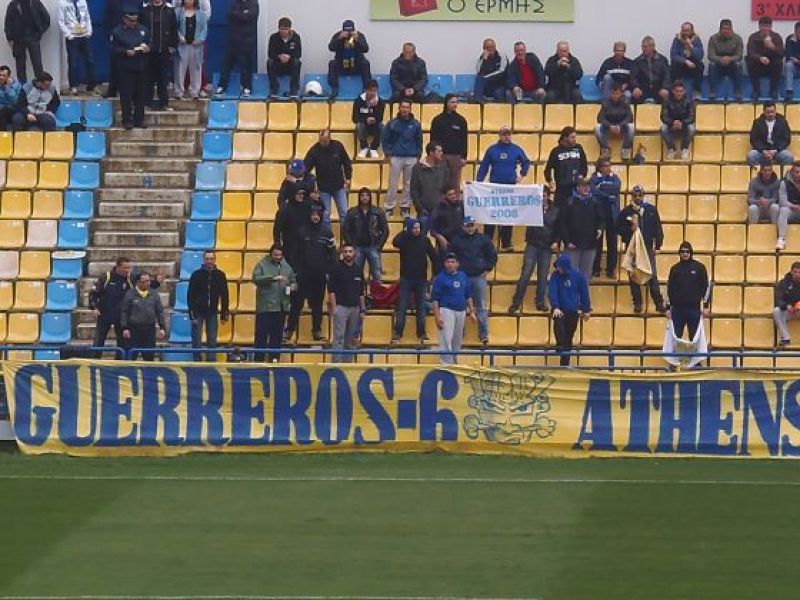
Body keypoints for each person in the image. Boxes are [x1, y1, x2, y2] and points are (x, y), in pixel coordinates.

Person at [285, 205, 336, 342]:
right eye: (313, 214)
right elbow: (293, 254)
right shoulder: (300, 231)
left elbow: (332, 254)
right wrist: (295, 271)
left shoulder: (327, 233)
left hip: (319, 276)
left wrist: (328, 271)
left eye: (317, 214)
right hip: (302, 276)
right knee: (296, 304)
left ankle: (316, 331)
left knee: (317, 305)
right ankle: (289, 330)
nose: (315, 216)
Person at [476, 126, 531, 251]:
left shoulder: (516, 149)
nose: (506, 137)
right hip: (494, 187)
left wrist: (521, 175)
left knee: (507, 215)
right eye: (504, 134)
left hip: (509, 187)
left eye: (508, 134)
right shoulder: (492, 150)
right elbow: (484, 166)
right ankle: (488, 241)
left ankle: (506, 242)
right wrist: (478, 183)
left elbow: (526, 162)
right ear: (499, 135)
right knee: (491, 214)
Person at [509, 186, 560, 314]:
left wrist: (556, 241)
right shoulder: (531, 208)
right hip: (532, 245)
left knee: (543, 276)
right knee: (525, 274)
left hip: (547, 247)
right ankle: (516, 302)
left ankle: (540, 302)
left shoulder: (556, 211)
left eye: (544, 195)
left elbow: (559, 229)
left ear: (548, 196)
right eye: (540, 195)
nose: (542, 197)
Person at [88, 257, 154, 357]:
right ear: (118, 267)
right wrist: (94, 308)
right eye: (125, 267)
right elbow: (93, 294)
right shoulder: (106, 277)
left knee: (123, 344)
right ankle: (94, 362)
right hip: (105, 315)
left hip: (122, 317)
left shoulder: (131, 279)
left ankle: (120, 364)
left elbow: (145, 284)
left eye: (129, 268)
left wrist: (157, 281)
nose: (127, 270)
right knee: (99, 341)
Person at [617, 185, 665, 314]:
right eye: (635, 195)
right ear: (632, 196)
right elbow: (619, 229)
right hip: (632, 249)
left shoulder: (651, 210)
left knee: (651, 275)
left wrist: (658, 245)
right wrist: (629, 231)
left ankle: (658, 303)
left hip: (647, 248)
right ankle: (638, 303)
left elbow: (658, 228)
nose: (637, 198)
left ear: (643, 196)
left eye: (640, 195)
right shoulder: (626, 212)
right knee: (634, 276)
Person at [449, 216, 497, 345]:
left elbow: (492, 255)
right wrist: (455, 272)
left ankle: (484, 335)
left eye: (471, 225)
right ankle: (460, 334)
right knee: (460, 306)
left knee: (481, 306)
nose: (470, 228)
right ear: (462, 226)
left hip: (478, 276)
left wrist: (488, 268)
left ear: (475, 225)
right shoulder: (456, 240)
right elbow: (450, 257)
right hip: (462, 277)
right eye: (467, 226)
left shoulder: (484, 239)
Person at [391, 218, 439, 344]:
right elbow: (394, 242)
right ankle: (397, 333)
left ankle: (421, 333)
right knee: (402, 307)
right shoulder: (404, 239)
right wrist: (403, 231)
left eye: (418, 227)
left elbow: (434, 257)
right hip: (406, 279)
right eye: (414, 227)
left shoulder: (425, 240)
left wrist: (435, 273)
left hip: (421, 279)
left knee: (421, 307)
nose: (417, 230)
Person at [253, 244, 296, 362]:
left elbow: (293, 280)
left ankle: (274, 361)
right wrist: (272, 278)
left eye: (280, 255)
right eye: (276, 255)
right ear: (271, 254)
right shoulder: (262, 264)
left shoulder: (286, 266)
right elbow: (256, 278)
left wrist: (293, 286)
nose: (278, 257)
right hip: (265, 308)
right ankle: (258, 361)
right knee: (261, 337)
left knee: (276, 338)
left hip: (280, 308)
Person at [548, 254, 591, 366]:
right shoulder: (555, 276)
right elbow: (552, 291)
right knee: (559, 327)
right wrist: (556, 306)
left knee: (569, 338)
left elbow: (584, 293)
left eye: (560, 267)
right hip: (560, 310)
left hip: (573, 312)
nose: (558, 269)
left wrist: (586, 309)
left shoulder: (578, 277)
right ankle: (559, 345)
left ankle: (564, 365)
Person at [382, 99, 423, 218]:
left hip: (411, 157)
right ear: (399, 108)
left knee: (408, 184)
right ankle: (389, 207)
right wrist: (388, 154)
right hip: (396, 157)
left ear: (410, 109)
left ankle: (405, 208)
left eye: (407, 107)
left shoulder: (416, 124)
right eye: (403, 107)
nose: (405, 109)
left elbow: (419, 140)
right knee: (393, 184)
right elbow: (385, 140)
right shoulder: (392, 123)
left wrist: (418, 155)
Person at [432, 253, 475, 365]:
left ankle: (454, 362)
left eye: (453, 262)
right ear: (445, 264)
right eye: (448, 262)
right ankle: (446, 365)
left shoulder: (463, 276)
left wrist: (472, 311)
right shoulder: (440, 278)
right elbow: (435, 299)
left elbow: (468, 295)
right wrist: (437, 316)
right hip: (447, 310)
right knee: (446, 339)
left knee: (457, 340)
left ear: (457, 264)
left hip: (461, 311)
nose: (450, 264)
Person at [112, 9, 150, 130]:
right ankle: (127, 120)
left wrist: (148, 48)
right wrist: (125, 52)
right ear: (125, 19)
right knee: (126, 96)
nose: (133, 23)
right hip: (126, 68)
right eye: (131, 20)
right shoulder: (117, 32)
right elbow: (113, 49)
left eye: (135, 20)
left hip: (141, 67)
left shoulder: (143, 30)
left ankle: (139, 119)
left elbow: (150, 43)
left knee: (141, 96)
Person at [560, 177, 604, 282]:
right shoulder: (569, 202)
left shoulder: (595, 202)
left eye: (588, 186)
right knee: (571, 275)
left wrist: (600, 229)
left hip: (590, 244)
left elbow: (602, 219)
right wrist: (567, 241)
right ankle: (571, 298)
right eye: (584, 186)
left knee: (586, 276)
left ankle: (583, 297)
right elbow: (563, 223)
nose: (586, 188)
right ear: (578, 187)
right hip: (573, 245)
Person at [303, 129, 352, 224]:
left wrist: (348, 178)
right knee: (325, 214)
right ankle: (327, 237)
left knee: (344, 213)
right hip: (323, 188)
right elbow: (306, 167)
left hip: (339, 186)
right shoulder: (314, 150)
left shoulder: (338, 146)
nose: (323, 143)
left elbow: (346, 162)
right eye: (321, 141)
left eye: (325, 141)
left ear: (330, 138)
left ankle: (347, 237)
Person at [187, 249, 229, 360]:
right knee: (196, 339)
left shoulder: (220, 275)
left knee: (212, 339)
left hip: (212, 311)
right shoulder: (196, 275)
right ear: (203, 260)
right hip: (198, 312)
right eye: (207, 259)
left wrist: (224, 313)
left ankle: (211, 362)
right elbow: (190, 295)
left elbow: (225, 295)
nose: (209, 261)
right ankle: (197, 362)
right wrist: (192, 314)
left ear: (214, 260)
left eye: (211, 259)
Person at [328, 243, 365, 363]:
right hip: (341, 307)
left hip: (355, 308)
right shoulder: (335, 268)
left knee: (351, 339)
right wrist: (334, 309)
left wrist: (362, 309)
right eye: (346, 251)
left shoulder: (358, 269)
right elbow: (331, 290)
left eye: (350, 251)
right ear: (342, 253)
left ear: (354, 253)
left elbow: (361, 292)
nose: (348, 254)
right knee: (338, 337)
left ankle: (348, 365)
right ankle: (336, 365)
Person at [665, 241, 710, 340]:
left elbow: (706, 287)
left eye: (687, 251)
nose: (685, 254)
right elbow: (669, 289)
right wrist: (668, 308)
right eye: (682, 251)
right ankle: (676, 356)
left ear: (691, 253)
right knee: (676, 337)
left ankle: (694, 356)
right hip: (677, 309)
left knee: (694, 337)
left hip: (694, 308)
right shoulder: (674, 269)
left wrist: (706, 306)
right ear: (679, 253)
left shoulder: (700, 268)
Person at [343, 187, 388, 284]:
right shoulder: (352, 212)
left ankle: (377, 297)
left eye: (367, 195)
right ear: (359, 197)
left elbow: (385, 230)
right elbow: (345, 230)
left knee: (377, 275)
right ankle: (358, 296)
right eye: (362, 195)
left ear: (370, 197)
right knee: (356, 276)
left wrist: (379, 246)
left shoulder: (378, 212)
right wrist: (351, 245)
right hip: (357, 247)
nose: (365, 198)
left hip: (373, 247)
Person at [140, 0, 178, 111]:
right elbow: (140, 29)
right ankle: (147, 103)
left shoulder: (169, 11)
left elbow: (174, 30)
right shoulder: (144, 11)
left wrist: (172, 47)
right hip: (148, 51)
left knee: (163, 79)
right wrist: (142, 45)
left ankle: (164, 104)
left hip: (164, 51)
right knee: (148, 79)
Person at [216, 0, 259, 97]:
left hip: (247, 41)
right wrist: (242, 15)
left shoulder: (253, 3)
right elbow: (229, 15)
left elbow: (250, 17)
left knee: (246, 66)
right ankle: (222, 86)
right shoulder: (234, 3)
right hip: (233, 40)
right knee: (226, 65)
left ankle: (246, 87)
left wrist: (238, 15)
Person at [120, 272, 166, 361]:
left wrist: (162, 326)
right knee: (131, 355)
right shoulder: (130, 294)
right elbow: (124, 311)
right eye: (144, 281)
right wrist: (124, 328)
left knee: (149, 356)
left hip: (149, 329)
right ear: (138, 282)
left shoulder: (154, 294)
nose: (147, 283)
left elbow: (159, 311)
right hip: (134, 329)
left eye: (148, 281)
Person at [590, 159, 622, 279]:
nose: (609, 168)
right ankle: (595, 269)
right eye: (606, 166)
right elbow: (594, 191)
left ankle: (611, 269)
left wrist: (602, 188)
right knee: (597, 243)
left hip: (612, 214)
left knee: (612, 243)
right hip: (598, 214)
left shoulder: (615, 178)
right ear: (600, 167)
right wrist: (608, 195)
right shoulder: (594, 178)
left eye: (610, 166)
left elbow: (617, 188)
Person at [3, 0, 49, 84]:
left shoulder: (35, 2)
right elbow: (7, 23)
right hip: (18, 39)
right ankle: (23, 89)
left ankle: (40, 88)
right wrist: (9, 38)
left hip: (32, 37)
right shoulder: (13, 4)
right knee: (20, 67)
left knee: (37, 64)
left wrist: (39, 32)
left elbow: (46, 19)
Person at [430, 93, 468, 191]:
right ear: (446, 103)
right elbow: (433, 140)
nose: (455, 104)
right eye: (452, 102)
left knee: (455, 183)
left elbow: (464, 140)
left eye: (456, 102)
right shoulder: (437, 120)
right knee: (439, 182)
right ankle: (439, 204)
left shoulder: (461, 120)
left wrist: (464, 156)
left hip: (456, 156)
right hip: (441, 156)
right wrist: (433, 155)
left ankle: (454, 204)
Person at [58, 0, 96, 94]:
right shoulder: (63, 3)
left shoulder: (82, 2)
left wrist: (89, 31)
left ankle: (91, 85)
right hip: (72, 37)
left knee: (90, 60)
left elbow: (87, 16)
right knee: (73, 63)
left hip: (84, 36)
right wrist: (68, 35)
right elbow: (61, 21)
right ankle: (73, 86)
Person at [544, 126, 588, 207]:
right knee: (560, 213)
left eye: (575, 137)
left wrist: (582, 175)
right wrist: (549, 180)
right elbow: (548, 168)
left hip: (576, 187)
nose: (575, 139)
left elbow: (584, 164)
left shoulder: (579, 148)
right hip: (562, 189)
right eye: (572, 137)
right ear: (565, 138)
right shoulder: (556, 151)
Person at [327, 19, 370, 99]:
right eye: (346, 31)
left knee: (365, 64)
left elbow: (366, 49)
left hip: (356, 65)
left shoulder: (359, 36)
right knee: (332, 63)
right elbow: (331, 48)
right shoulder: (337, 35)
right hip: (342, 64)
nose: (348, 33)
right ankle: (334, 89)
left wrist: (357, 40)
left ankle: (366, 89)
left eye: (350, 31)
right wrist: (339, 39)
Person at [273, 187, 313, 272]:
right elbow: (277, 229)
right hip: (289, 247)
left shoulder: (306, 207)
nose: (301, 196)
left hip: (304, 246)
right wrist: (277, 243)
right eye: (299, 194)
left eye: (302, 194)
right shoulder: (284, 210)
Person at [410, 141, 449, 227]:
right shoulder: (417, 169)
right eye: (439, 151)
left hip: (440, 210)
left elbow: (446, 187)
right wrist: (420, 208)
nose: (441, 153)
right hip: (424, 211)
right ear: (431, 152)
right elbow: (414, 190)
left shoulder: (443, 167)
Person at [174, 0, 207, 100]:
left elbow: (204, 29)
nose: (188, 1)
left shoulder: (201, 14)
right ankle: (179, 92)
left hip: (196, 46)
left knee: (196, 68)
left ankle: (194, 91)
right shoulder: (178, 12)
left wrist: (199, 40)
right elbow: (174, 27)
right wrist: (179, 36)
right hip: (182, 45)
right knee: (179, 68)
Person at [747, 16, 785, 101]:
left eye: (767, 26)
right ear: (759, 27)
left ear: (771, 27)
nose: (765, 29)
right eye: (763, 26)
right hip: (758, 64)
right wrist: (760, 58)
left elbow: (781, 54)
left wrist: (772, 46)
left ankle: (773, 90)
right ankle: (756, 90)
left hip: (772, 65)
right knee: (749, 61)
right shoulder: (753, 37)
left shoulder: (776, 37)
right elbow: (750, 52)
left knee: (779, 63)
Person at [594, 83, 634, 161]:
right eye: (613, 93)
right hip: (608, 128)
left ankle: (625, 150)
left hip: (622, 128)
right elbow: (600, 118)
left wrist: (620, 126)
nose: (615, 96)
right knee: (597, 127)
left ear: (621, 94)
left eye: (617, 93)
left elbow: (630, 117)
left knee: (632, 127)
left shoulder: (626, 102)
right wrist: (610, 126)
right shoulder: (605, 102)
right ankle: (605, 150)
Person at [707, 18, 744, 101]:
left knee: (738, 64)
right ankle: (712, 91)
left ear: (731, 29)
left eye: (728, 29)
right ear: (720, 29)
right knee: (711, 65)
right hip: (718, 64)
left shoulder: (737, 38)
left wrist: (729, 59)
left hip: (732, 64)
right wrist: (721, 59)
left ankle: (738, 91)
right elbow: (710, 55)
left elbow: (739, 55)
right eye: (724, 29)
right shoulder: (713, 38)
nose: (726, 31)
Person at [747, 102, 793, 168]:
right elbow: (754, 139)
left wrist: (776, 150)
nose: (770, 114)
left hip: (777, 151)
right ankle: (759, 175)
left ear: (775, 111)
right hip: (762, 151)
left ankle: (783, 176)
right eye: (768, 112)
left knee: (788, 156)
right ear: (764, 112)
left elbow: (786, 139)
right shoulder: (757, 122)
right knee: (751, 155)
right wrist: (763, 150)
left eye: (772, 112)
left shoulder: (782, 122)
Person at [660, 80, 696, 161]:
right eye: (677, 91)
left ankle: (684, 149)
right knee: (663, 128)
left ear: (684, 91)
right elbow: (663, 116)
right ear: (673, 91)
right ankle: (671, 149)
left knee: (692, 128)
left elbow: (692, 116)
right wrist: (672, 122)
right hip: (671, 126)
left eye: (681, 91)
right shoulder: (666, 100)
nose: (679, 93)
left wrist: (682, 123)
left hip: (684, 126)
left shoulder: (689, 100)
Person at [266, 16, 301, 99]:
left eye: (286, 29)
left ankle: (293, 90)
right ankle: (274, 88)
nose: (284, 31)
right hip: (278, 64)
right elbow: (270, 53)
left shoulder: (296, 37)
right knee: (269, 62)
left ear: (290, 29)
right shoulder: (273, 37)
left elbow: (298, 54)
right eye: (282, 29)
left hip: (290, 64)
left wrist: (289, 57)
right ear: (278, 28)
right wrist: (279, 56)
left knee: (297, 62)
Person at [630, 36, 671, 103]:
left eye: (645, 47)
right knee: (635, 94)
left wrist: (665, 88)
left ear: (652, 47)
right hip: (643, 89)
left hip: (658, 89)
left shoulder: (662, 60)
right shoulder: (637, 61)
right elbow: (633, 77)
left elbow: (667, 76)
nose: (643, 49)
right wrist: (636, 87)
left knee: (666, 95)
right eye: (642, 46)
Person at [352, 79, 385, 158]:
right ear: (365, 90)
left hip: (375, 125)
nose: (373, 93)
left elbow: (380, 118)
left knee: (382, 126)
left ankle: (374, 148)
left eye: (375, 91)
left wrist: (374, 108)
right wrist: (365, 120)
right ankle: (364, 147)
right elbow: (354, 118)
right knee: (359, 125)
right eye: (371, 90)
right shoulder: (358, 101)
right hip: (363, 125)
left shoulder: (380, 102)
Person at [669, 22, 704, 95]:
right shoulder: (677, 39)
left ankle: (697, 89)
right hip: (681, 64)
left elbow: (700, 56)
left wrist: (691, 46)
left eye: (687, 30)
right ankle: (674, 89)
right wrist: (685, 61)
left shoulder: (696, 39)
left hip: (692, 65)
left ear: (691, 31)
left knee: (700, 65)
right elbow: (673, 55)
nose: (685, 33)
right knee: (673, 64)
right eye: (683, 30)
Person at [773, 262, 800, 346]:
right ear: (791, 272)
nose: (797, 274)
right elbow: (778, 299)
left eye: (799, 272)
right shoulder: (783, 283)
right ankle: (785, 338)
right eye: (795, 272)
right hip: (789, 311)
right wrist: (786, 305)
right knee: (777, 311)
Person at [430, 187, 464, 252]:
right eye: (450, 195)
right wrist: (439, 237)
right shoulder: (438, 208)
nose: (453, 196)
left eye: (454, 193)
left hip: (460, 239)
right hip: (445, 239)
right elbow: (432, 227)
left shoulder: (460, 205)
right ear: (444, 196)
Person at [474, 38, 508, 103]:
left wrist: (485, 77)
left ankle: (501, 112)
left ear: (495, 47)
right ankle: (478, 104)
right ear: (483, 48)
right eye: (487, 47)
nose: (489, 49)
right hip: (487, 86)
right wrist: (484, 60)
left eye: (491, 47)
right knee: (479, 79)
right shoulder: (481, 58)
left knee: (498, 93)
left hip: (499, 85)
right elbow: (479, 71)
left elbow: (502, 71)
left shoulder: (502, 55)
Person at [748, 161, 781, 225]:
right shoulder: (753, 182)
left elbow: (776, 198)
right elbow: (750, 199)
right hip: (759, 208)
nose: (767, 172)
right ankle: (753, 230)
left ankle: (775, 229)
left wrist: (767, 201)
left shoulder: (777, 182)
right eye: (765, 170)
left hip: (770, 209)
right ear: (761, 171)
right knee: (752, 208)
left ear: (772, 171)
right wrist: (759, 201)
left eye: (769, 170)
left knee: (775, 207)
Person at [777, 162, 800, 251]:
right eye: (797, 172)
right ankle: (781, 239)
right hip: (791, 210)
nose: (799, 174)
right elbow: (782, 201)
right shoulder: (784, 183)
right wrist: (793, 206)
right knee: (783, 210)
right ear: (791, 172)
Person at [0, 66, 24, 130]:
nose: (1, 77)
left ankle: (3, 136)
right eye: (0, 75)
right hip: (1, 109)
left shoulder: (17, 85)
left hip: (13, 109)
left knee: (4, 110)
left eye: (4, 75)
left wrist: (8, 88)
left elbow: (15, 101)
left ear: (8, 77)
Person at [785, 22, 800, 101]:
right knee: (788, 65)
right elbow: (789, 55)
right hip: (795, 68)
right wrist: (796, 60)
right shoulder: (790, 39)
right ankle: (789, 92)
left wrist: (796, 58)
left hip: (797, 62)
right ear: (795, 31)